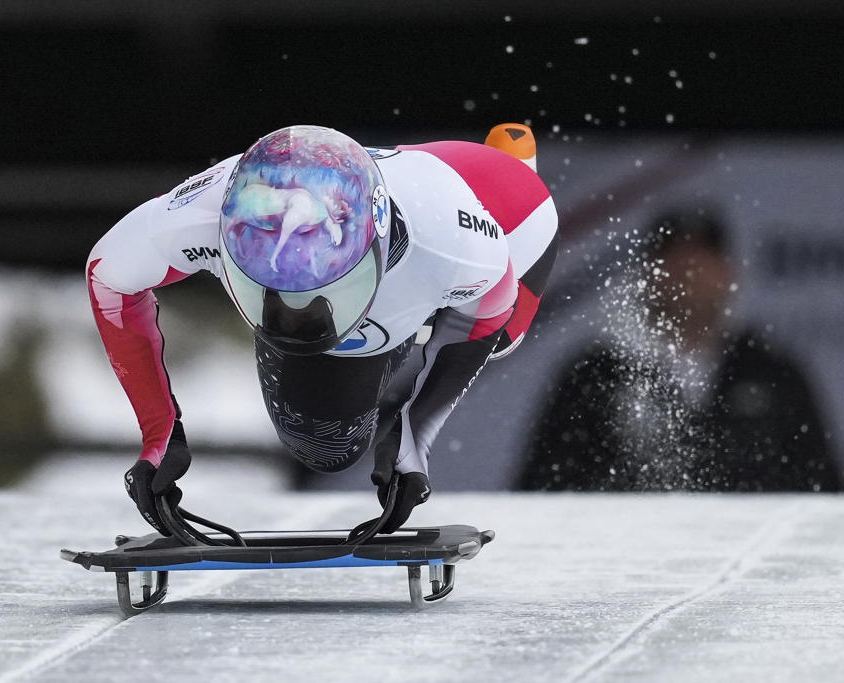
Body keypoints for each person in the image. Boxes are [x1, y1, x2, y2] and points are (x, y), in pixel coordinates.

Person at [87, 124, 558, 534]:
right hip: (410, 203)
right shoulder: (203, 214)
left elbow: (489, 312)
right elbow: (108, 277)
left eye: (323, 289)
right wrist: (159, 433)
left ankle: (511, 157)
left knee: (502, 339)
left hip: (508, 213)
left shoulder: (459, 251)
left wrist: (415, 437)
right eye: (270, 291)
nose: (293, 316)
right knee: (324, 448)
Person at [519, 209, 838, 492]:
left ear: (729, 273)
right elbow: (544, 491)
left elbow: (819, 490)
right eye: (674, 261)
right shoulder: (595, 374)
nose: (688, 274)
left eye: (701, 262)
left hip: (749, 552)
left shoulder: (774, 373)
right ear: (647, 274)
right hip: (624, 553)